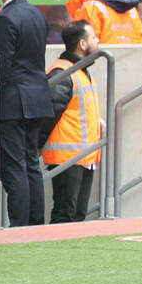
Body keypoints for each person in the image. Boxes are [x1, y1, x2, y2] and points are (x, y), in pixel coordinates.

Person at [0, 0, 55, 227]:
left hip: (13, 102)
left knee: (13, 168)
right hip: (37, 99)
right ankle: (34, 225)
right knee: (30, 165)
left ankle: (20, 228)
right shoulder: (36, 15)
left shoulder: (6, 18)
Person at [43, 20, 101, 224]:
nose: (98, 40)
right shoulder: (63, 73)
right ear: (82, 44)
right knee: (65, 215)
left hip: (84, 156)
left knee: (77, 215)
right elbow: (47, 115)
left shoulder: (81, 71)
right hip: (67, 157)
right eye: (94, 37)